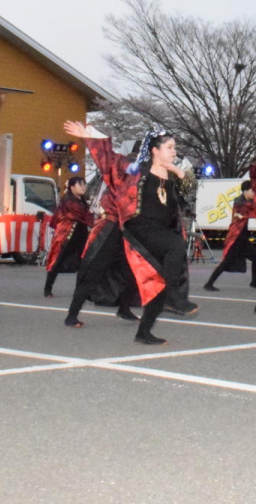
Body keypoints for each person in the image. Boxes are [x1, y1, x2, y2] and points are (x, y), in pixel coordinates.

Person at [64, 121, 192, 346]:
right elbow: (108, 159)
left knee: (142, 277)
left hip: (145, 235)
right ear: (153, 151)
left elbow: (184, 194)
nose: (173, 152)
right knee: (95, 270)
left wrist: (182, 175)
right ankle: (72, 314)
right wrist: (89, 135)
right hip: (117, 228)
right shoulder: (131, 171)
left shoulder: (167, 176)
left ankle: (133, 318)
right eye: (169, 147)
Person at [62, 154, 139, 329]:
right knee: (91, 276)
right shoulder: (114, 187)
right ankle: (72, 316)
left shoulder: (130, 187)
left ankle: (124, 308)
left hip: (121, 236)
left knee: (131, 275)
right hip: (107, 234)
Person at [204, 181, 256, 291]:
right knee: (226, 262)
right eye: (252, 190)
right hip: (236, 237)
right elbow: (252, 211)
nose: (254, 193)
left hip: (242, 237)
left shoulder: (248, 201)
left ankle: (254, 281)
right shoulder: (240, 202)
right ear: (245, 191)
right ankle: (209, 283)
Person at [43, 176, 94, 298]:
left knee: (84, 262)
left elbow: (86, 216)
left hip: (80, 234)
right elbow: (83, 216)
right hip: (67, 235)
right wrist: (97, 221)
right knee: (57, 260)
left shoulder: (81, 200)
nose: (83, 186)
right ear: (72, 187)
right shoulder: (69, 201)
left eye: (84, 184)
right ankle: (47, 288)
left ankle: (80, 290)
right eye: (80, 184)